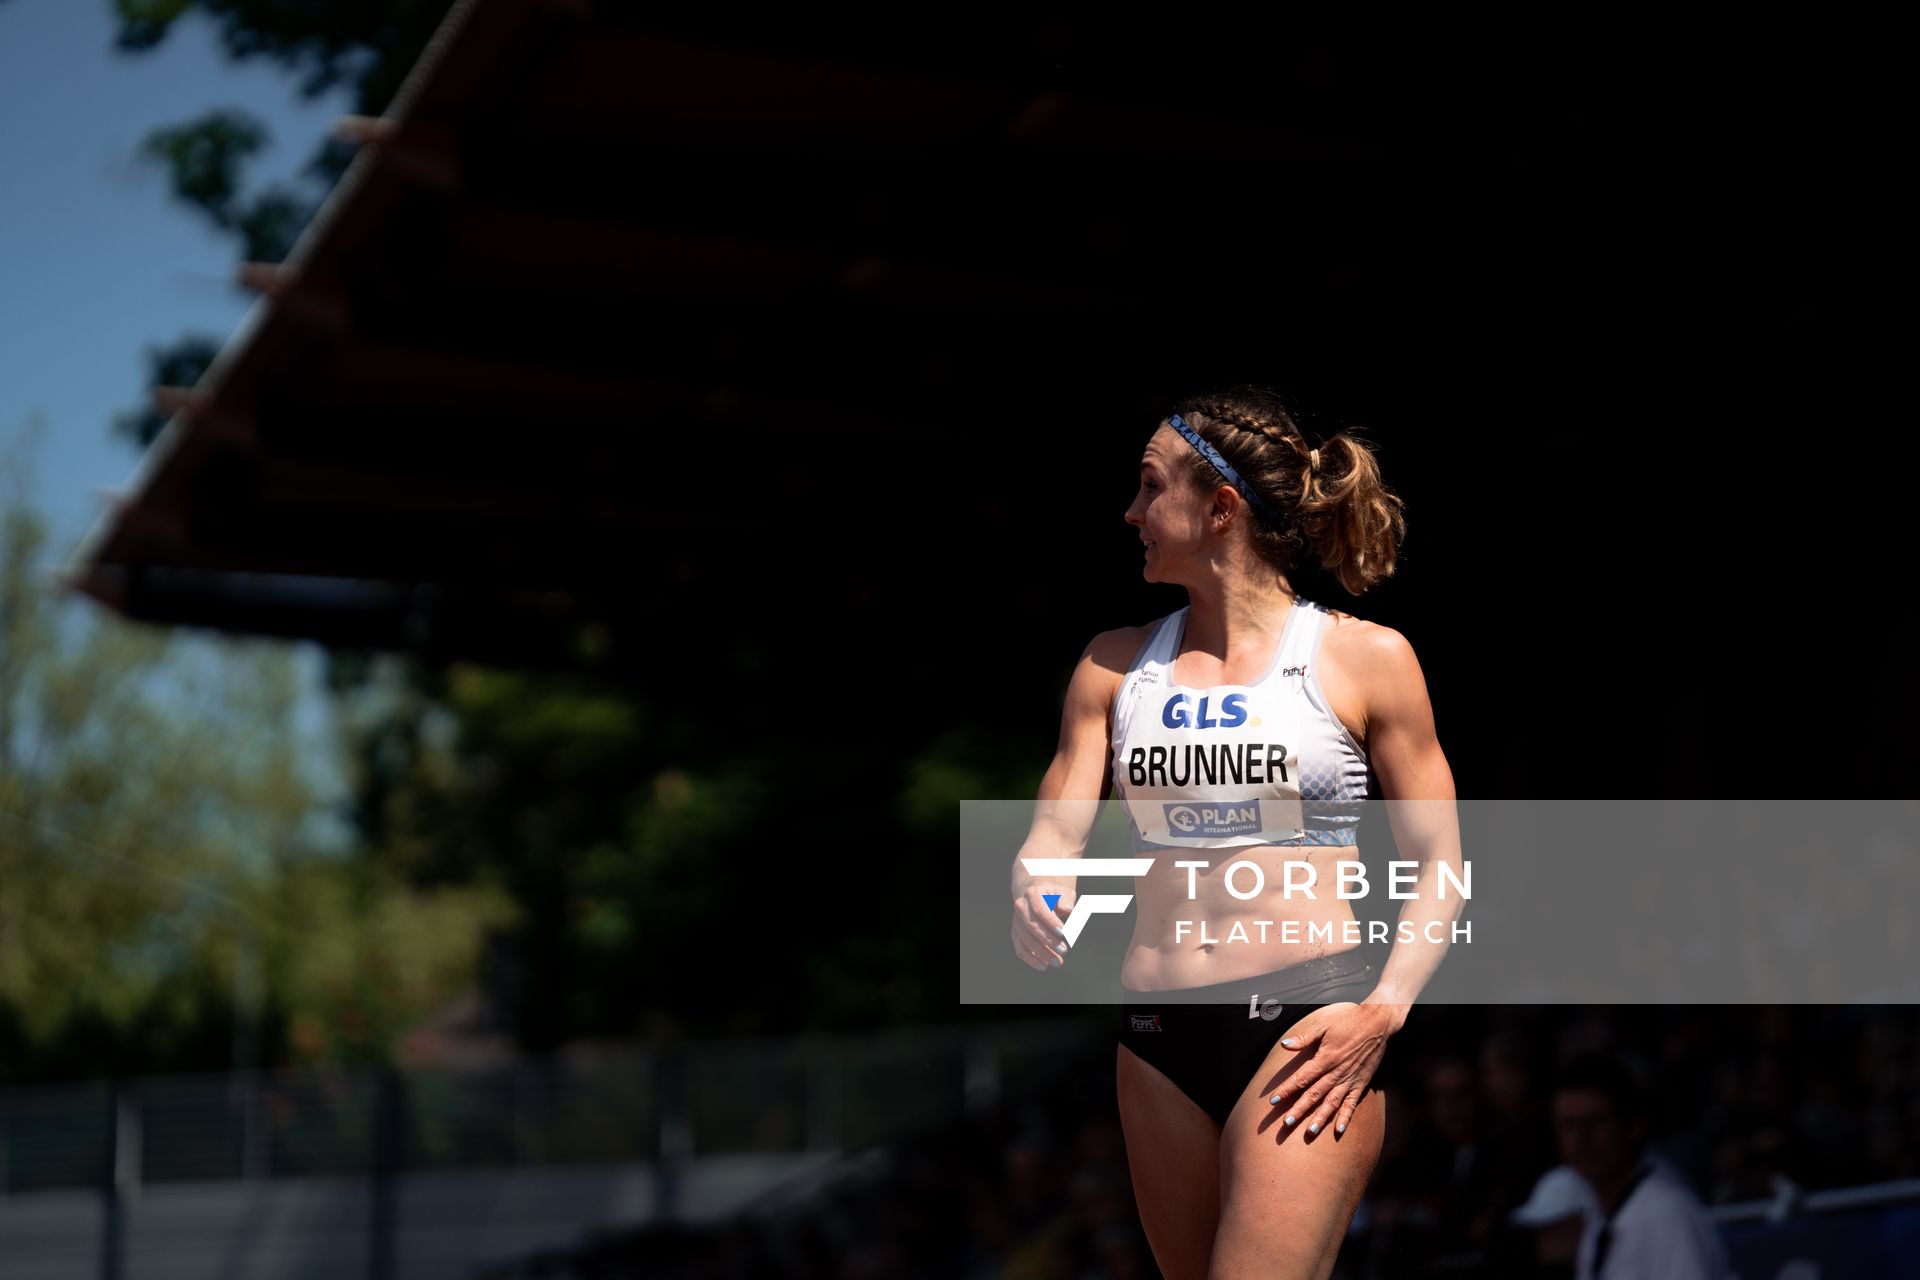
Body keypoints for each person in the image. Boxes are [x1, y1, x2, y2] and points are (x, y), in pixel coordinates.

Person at [1008, 386, 1464, 1279]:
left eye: (1148, 487)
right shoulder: (1112, 663)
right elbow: (1054, 831)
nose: (1131, 510)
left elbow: (1441, 862)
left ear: (1220, 508)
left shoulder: (1364, 658)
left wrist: (1385, 1008)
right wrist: (1038, 884)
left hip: (1304, 1030)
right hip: (1156, 1040)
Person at [1551, 1052, 1730, 1280]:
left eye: (1596, 1121)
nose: (1581, 1139)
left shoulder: (1668, 1215)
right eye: (1568, 1125)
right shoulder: (1600, 1220)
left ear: (1634, 1125)